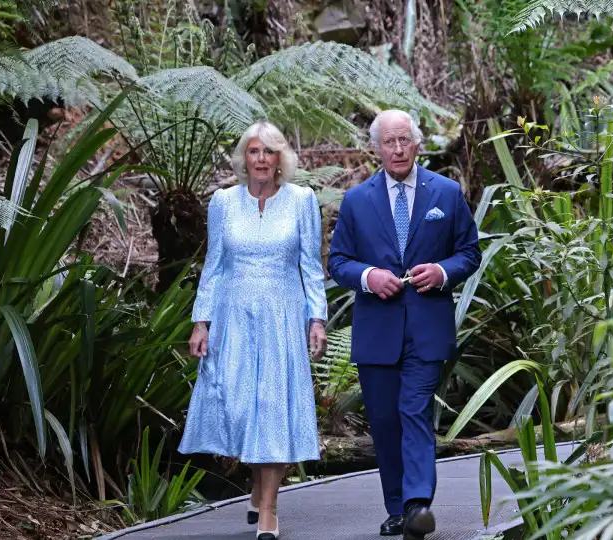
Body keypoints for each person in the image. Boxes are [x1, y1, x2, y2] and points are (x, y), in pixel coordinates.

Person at [327, 110, 481, 539]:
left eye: (404, 140)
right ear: (376, 149)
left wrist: (444, 272)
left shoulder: (446, 193)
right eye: (388, 142)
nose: (397, 149)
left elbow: (469, 252)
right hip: (377, 331)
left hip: (426, 329)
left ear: (417, 143)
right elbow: (337, 262)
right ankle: (397, 507)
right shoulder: (357, 200)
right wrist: (369, 277)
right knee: (384, 420)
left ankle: (417, 505)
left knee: (413, 409)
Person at [179, 121, 328, 540]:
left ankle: (269, 509)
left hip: (282, 314)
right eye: (254, 152)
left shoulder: (302, 200)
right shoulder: (223, 202)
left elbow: (311, 267)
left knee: (274, 406)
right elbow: (213, 266)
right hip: (234, 317)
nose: (261, 159)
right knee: (242, 405)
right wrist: (201, 321)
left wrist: (317, 319)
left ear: (282, 158)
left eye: (269, 152)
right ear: (244, 158)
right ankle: (256, 486)